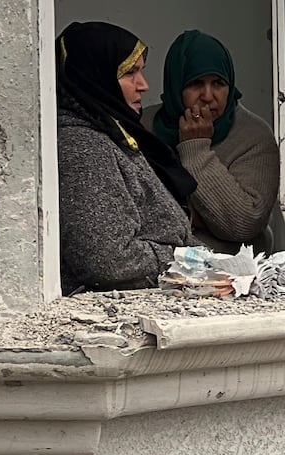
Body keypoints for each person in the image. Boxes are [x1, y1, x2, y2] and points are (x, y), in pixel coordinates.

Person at [55, 22, 193, 294]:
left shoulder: (109, 133)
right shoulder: (84, 148)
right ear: (96, 77)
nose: (143, 85)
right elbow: (109, 262)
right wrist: (184, 259)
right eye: (130, 73)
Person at [145, 31, 281, 253]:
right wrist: (199, 214)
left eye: (218, 83)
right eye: (195, 83)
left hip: (230, 275)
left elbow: (244, 223)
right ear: (175, 84)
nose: (208, 96)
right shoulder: (143, 126)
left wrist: (195, 149)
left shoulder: (253, 135)